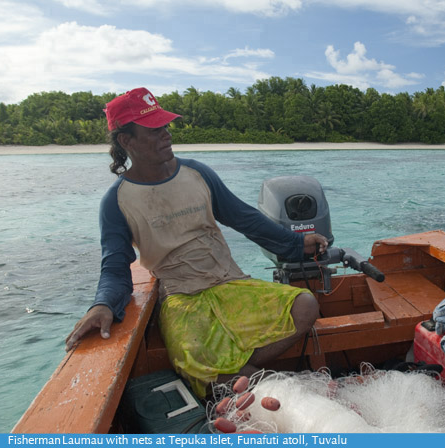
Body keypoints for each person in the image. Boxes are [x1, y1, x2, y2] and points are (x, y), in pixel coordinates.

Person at [65, 87, 328, 396]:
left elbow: (243, 217)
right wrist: (103, 304)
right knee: (193, 354)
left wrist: (298, 244)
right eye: (153, 129)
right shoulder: (117, 201)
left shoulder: (197, 173)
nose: (166, 134)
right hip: (181, 297)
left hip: (229, 281)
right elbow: (115, 265)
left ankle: (241, 378)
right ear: (126, 141)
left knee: (305, 306)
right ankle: (255, 382)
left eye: (165, 126)